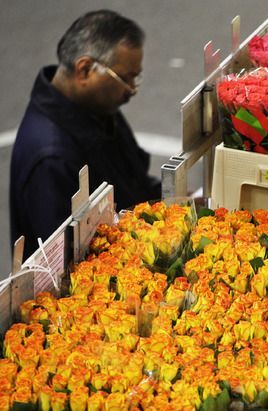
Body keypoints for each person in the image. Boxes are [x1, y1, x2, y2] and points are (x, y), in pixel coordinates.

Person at [11, 10, 161, 260]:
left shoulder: (98, 107)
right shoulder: (51, 157)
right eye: (125, 78)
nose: (132, 90)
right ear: (84, 69)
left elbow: (134, 182)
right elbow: (60, 262)